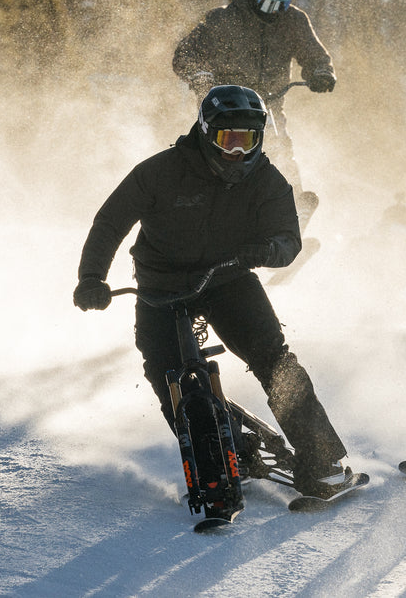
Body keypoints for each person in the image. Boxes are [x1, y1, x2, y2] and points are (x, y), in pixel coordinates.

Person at [72, 85, 349, 496]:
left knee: (273, 359)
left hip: (228, 278)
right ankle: (218, 451)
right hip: (160, 286)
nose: (237, 152)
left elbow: (288, 239)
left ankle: (323, 458)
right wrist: (91, 278)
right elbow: (110, 222)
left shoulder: (267, 181)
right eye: (227, 139)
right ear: (205, 132)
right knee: (165, 369)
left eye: (248, 140)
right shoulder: (160, 172)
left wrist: (267, 250)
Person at [172, 0, 335, 213]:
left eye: (281, 5)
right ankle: (196, 207)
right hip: (223, 107)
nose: (275, 13)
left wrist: (321, 71)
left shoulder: (293, 21)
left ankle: (290, 209)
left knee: (280, 148)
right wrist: (200, 75)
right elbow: (185, 54)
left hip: (268, 104)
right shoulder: (222, 20)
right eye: (267, 4)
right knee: (216, 155)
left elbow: (313, 53)